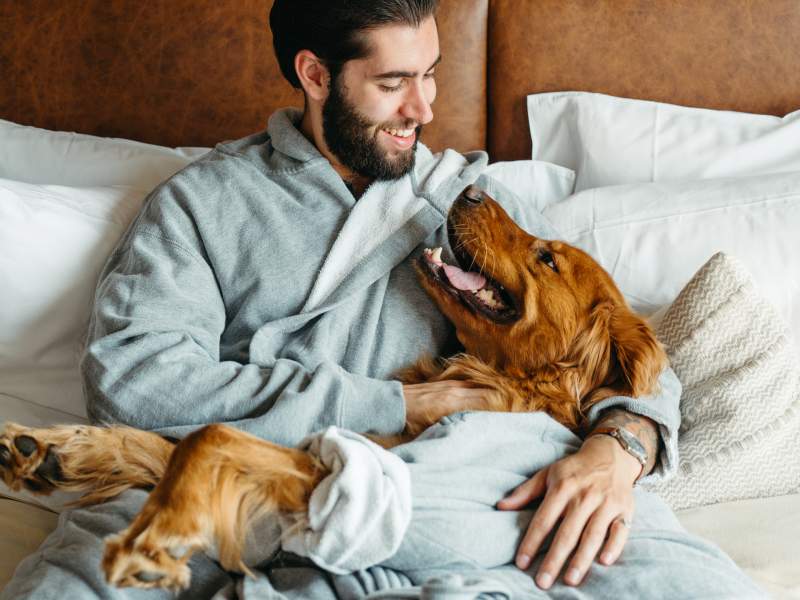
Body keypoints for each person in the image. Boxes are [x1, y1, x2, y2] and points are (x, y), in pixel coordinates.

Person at [2, 1, 765, 598]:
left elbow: (605, 342)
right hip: (223, 491)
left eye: (431, 73)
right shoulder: (201, 205)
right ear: (315, 74)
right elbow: (137, 384)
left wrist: (618, 448)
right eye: (394, 84)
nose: (425, 109)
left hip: (427, 502)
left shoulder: (461, 205)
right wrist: (397, 406)